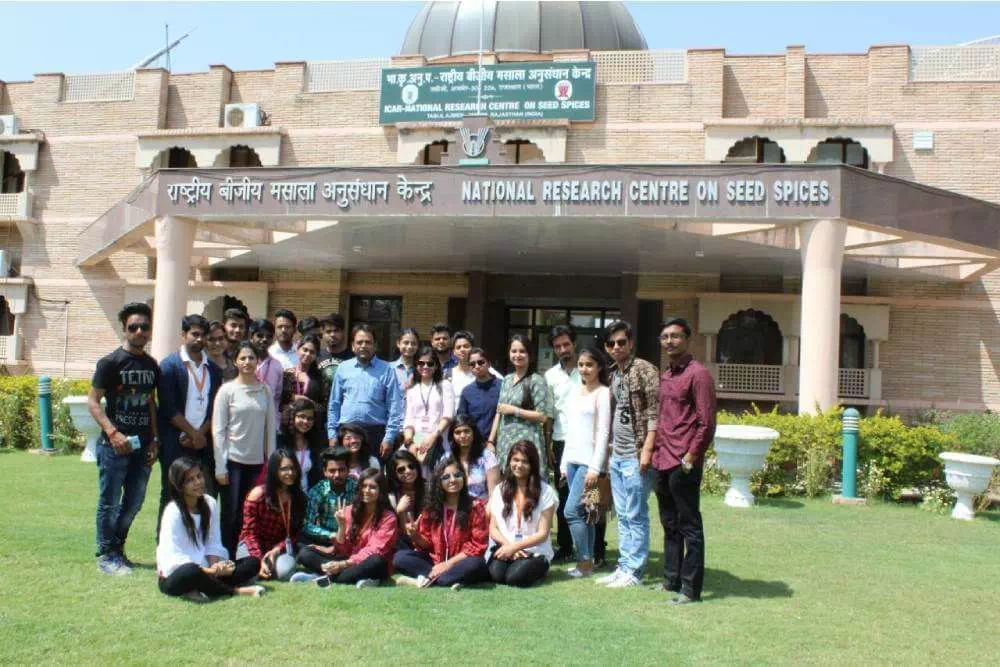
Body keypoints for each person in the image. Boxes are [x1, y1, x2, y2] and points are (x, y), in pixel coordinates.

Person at [89, 302, 161, 575]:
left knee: (134, 502)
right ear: (124, 329)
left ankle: (118, 548)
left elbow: (151, 402)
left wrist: (155, 440)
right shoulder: (110, 362)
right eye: (134, 326)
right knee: (110, 502)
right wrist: (112, 432)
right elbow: (93, 401)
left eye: (145, 326)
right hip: (114, 447)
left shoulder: (151, 365)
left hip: (142, 447)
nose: (140, 331)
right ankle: (106, 554)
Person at [652, 317, 716, 605]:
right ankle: (671, 580)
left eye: (675, 336)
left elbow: (707, 423)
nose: (669, 341)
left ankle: (690, 588)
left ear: (687, 340)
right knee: (669, 523)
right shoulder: (666, 375)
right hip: (661, 459)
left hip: (683, 462)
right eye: (665, 337)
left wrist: (691, 457)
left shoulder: (698, 374)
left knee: (690, 525)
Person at [600, 320, 659, 589]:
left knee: (636, 513)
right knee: (622, 514)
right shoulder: (613, 374)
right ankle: (623, 566)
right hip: (618, 455)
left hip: (637, 455)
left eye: (621, 342)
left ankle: (635, 570)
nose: (616, 347)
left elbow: (654, 413)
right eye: (611, 343)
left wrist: (646, 450)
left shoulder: (645, 370)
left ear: (631, 343)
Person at [156, 457, 264, 599]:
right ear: (180, 486)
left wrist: (216, 567)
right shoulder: (173, 511)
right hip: (179, 574)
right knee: (191, 571)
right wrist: (207, 571)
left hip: (208, 570)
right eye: (190, 480)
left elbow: (213, 542)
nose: (198, 482)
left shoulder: (210, 503)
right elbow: (173, 557)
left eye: (199, 476)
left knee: (252, 563)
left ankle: (203, 589)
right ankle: (237, 591)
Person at [157, 314, 223, 538]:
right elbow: (167, 406)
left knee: (203, 494)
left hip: (203, 443)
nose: (200, 339)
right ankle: (165, 543)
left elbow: (215, 407)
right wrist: (190, 433)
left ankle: (200, 541)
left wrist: (200, 435)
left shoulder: (213, 370)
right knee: (172, 493)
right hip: (175, 441)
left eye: (203, 335)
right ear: (183, 335)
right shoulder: (169, 365)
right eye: (195, 334)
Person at [213, 342, 277, 554]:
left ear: (258, 361)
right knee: (231, 513)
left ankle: (248, 554)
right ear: (235, 362)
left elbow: (270, 430)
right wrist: (220, 467)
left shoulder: (264, 390)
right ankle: (226, 554)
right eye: (243, 358)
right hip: (233, 462)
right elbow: (218, 431)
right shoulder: (227, 391)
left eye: (251, 358)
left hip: (257, 463)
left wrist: (272, 464)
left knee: (252, 512)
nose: (247, 362)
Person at [393, 456, 490, 589]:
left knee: (476, 564)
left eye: (457, 475)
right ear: (439, 482)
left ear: (464, 477)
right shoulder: (432, 507)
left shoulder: (475, 506)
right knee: (400, 557)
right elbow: (426, 544)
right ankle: (448, 580)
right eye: (446, 477)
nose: (452, 480)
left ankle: (425, 580)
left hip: (461, 562)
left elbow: (478, 546)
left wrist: (448, 564)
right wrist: (415, 534)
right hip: (435, 562)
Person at [294, 468, 398, 588]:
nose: (367, 491)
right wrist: (342, 527)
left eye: (372, 487)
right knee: (305, 553)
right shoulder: (350, 510)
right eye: (363, 486)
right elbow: (342, 550)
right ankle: (353, 577)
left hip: (368, 562)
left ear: (381, 491)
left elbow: (374, 550)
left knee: (376, 561)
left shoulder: (389, 518)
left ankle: (324, 577)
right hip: (348, 560)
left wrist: (343, 564)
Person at [560, 347, 612, 579]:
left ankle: (584, 561)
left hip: (589, 465)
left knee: (572, 511)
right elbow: (570, 431)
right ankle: (589, 563)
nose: (584, 369)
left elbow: (603, 433)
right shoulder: (575, 391)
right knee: (588, 514)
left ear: (599, 367)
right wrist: (563, 463)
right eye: (581, 364)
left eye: (589, 365)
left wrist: (594, 467)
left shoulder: (603, 394)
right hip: (572, 461)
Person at [326, 324, 404, 463]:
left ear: (375, 346)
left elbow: (394, 407)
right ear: (352, 346)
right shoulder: (343, 368)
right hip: (346, 432)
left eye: (368, 342)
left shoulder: (387, 370)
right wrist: (332, 434)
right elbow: (334, 404)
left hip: (375, 435)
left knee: (372, 479)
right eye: (359, 342)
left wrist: (389, 438)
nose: (363, 345)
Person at [487, 441, 557, 588]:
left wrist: (516, 547)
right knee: (496, 575)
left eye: (525, 461)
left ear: (533, 465)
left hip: (534, 550)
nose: (519, 465)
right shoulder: (500, 489)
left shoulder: (545, 491)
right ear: (509, 461)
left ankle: (540, 566)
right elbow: (493, 528)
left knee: (515, 578)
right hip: (507, 546)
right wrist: (509, 546)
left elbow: (543, 533)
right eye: (515, 460)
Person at [489, 334, 553, 477]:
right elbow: (499, 412)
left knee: (529, 483)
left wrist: (514, 410)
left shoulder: (537, 380)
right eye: (514, 351)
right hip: (505, 441)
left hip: (527, 441)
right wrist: (491, 441)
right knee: (508, 483)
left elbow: (542, 416)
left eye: (522, 351)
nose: (517, 355)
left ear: (530, 354)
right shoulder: (506, 379)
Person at [237, 449, 306, 582]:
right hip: (252, 545)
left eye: (293, 468)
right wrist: (259, 559)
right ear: (274, 471)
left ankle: (269, 569)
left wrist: (276, 551)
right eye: (284, 469)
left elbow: (294, 535)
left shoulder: (299, 498)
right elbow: (249, 533)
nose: (290, 473)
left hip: (277, 548)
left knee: (285, 573)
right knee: (250, 572)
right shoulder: (257, 495)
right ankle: (261, 569)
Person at [543, 325, 581, 562]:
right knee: (564, 496)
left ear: (574, 344)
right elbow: (549, 415)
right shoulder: (550, 376)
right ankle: (566, 547)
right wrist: (547, 446)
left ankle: (595, 548)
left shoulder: (588, 369)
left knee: (591, 494)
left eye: (566, 344)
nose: (562, 349)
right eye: (558, 346)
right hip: (560, 442)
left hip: (586, 442)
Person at [402, 346, 455, 465]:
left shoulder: (445, 385)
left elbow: (448, 415)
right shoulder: (412, 389)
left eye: (430, 364)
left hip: (438, 438)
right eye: (421, 363)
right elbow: (409, 421)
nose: (425, 367)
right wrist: (410, 443)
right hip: (417, 438)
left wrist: (432, 437)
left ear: (436, 366)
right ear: (416, 366)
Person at [299, 446, 357, 549]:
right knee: (304, 549)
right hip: (327, 539)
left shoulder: (358, 488)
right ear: (325, 472)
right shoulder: (318, 491)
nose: (337, 475)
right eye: (332, 471)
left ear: (348, 470)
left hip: (353, 539)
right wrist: (333, 536)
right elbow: (307, 525)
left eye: (341, 470)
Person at [445, 415, 499, 502]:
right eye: (457, 432)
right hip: (455, 509)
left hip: (481, 509)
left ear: (474, 432)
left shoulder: (488, 457)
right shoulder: (447, 457)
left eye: (466, 431)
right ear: (452, 435)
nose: (462, 435)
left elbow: (494, 494)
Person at [277, 398, 326, 490]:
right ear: (292, 417)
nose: (306, 421)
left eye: (310, 418)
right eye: (301, 416)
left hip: (306, 496)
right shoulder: (280, 441)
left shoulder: (314, 444)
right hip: (284, 494)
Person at [279, 333, 325, 432]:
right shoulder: (287, 374)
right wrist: (294, 397)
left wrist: (310, 403)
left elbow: (323, 404)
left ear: (316, 355)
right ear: (298, 349)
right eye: (305, 350)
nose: (308, 354)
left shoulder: (319, 378)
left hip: (309, 427)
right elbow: (279, 399)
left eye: (312, 352)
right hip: (288, 426)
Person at [456, 347, 502, 443]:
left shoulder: (503, 386)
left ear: (488, 363)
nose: (477, 366)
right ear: (469, 368)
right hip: (474, 444)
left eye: (480, 362)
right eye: (472, 364)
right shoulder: (467, 392)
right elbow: (462, 420)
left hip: (499, 442)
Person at [446, 331, 500, 412]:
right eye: (458, 347)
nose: (462, 350)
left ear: (472, 348)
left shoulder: (487, 370)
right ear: (454, 351)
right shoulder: (448, 375)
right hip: (456, 421)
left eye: (466, 346)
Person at [249, 318, 282, 428]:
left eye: (269, 336)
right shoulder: (244, 363)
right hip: (246, 422)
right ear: (251, 337)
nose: (264, 339)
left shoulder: (277, 365)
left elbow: (277, 398)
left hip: (269, 424)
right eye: (259, 335)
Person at [387, 449, 426, 542]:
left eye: (411, 466)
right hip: (401, 542)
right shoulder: (391, 496)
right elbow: (404, 533)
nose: (408, 471)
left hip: (426, 539)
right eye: (401, 469)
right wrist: (400, 512)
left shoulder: (428, 489)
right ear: (394, 474)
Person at [317, 313, 352, 400]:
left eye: (336, 330)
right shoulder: (316, 356)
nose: (332, 334)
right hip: (320, 410)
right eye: (328, 331)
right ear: (323, 334)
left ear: (343, 332)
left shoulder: (353, 358)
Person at [389, 327, 420, 392]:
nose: (409, 346)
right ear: (398, 343)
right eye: (406, 343)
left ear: (417, 346)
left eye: (413, 343)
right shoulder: (389, 368)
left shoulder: (422, 369)